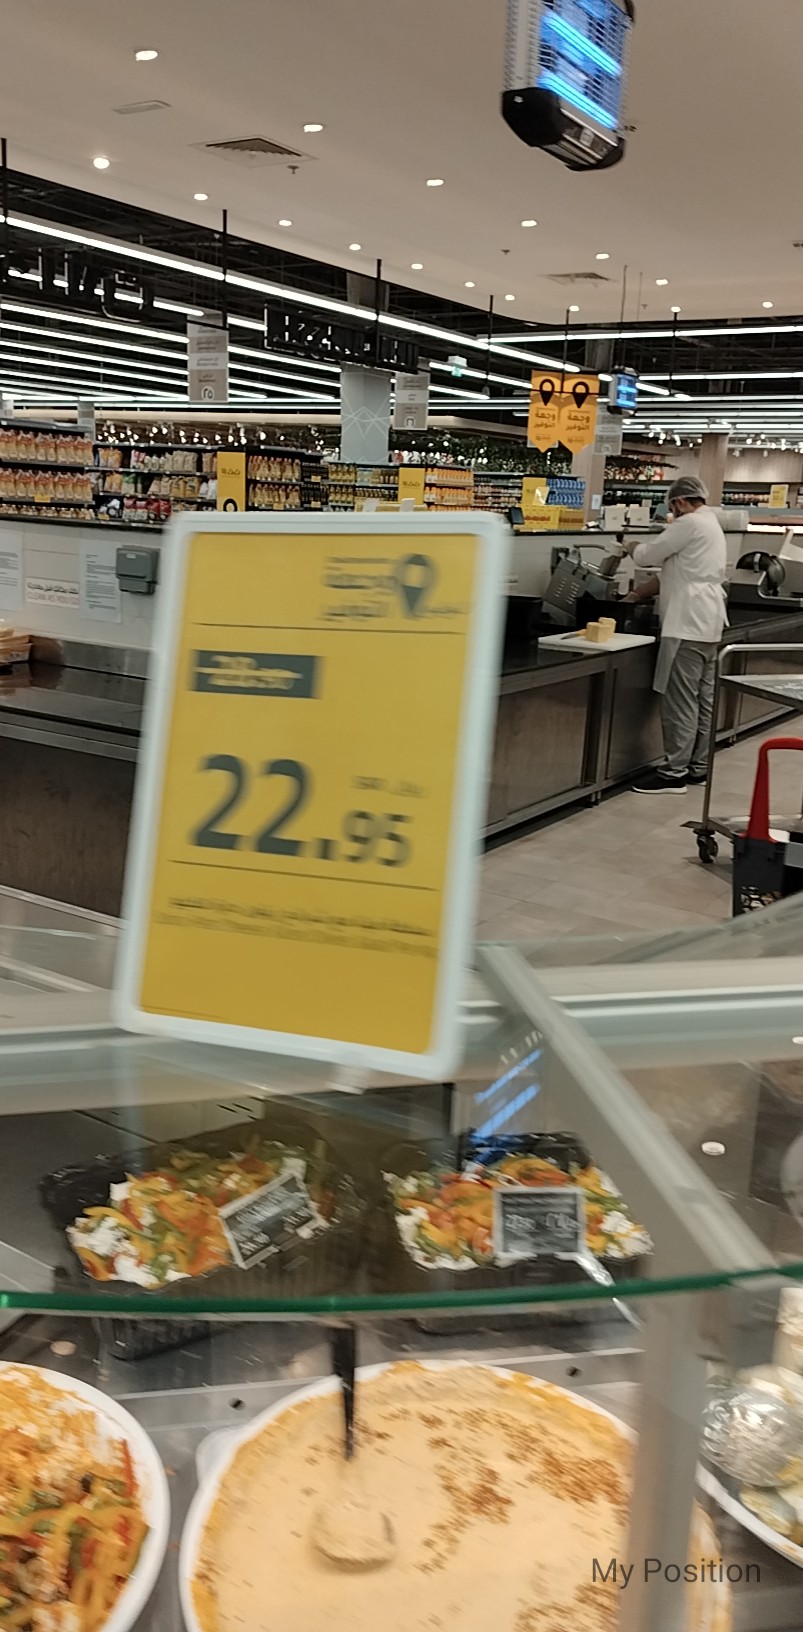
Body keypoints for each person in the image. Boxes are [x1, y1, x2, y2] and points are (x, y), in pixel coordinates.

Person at [624, 475, 728, 794]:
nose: (672, 512)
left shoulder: (688, 523)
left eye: (672, 506)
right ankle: (698, 766)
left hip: (686, 622)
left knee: (681, 699)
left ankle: (674, 773)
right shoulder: (710, 523)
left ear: (680, 501)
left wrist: (629, 546)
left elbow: (647, 556)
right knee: (703, 698)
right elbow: (673, 571)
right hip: (708, 623)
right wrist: (636, 594)